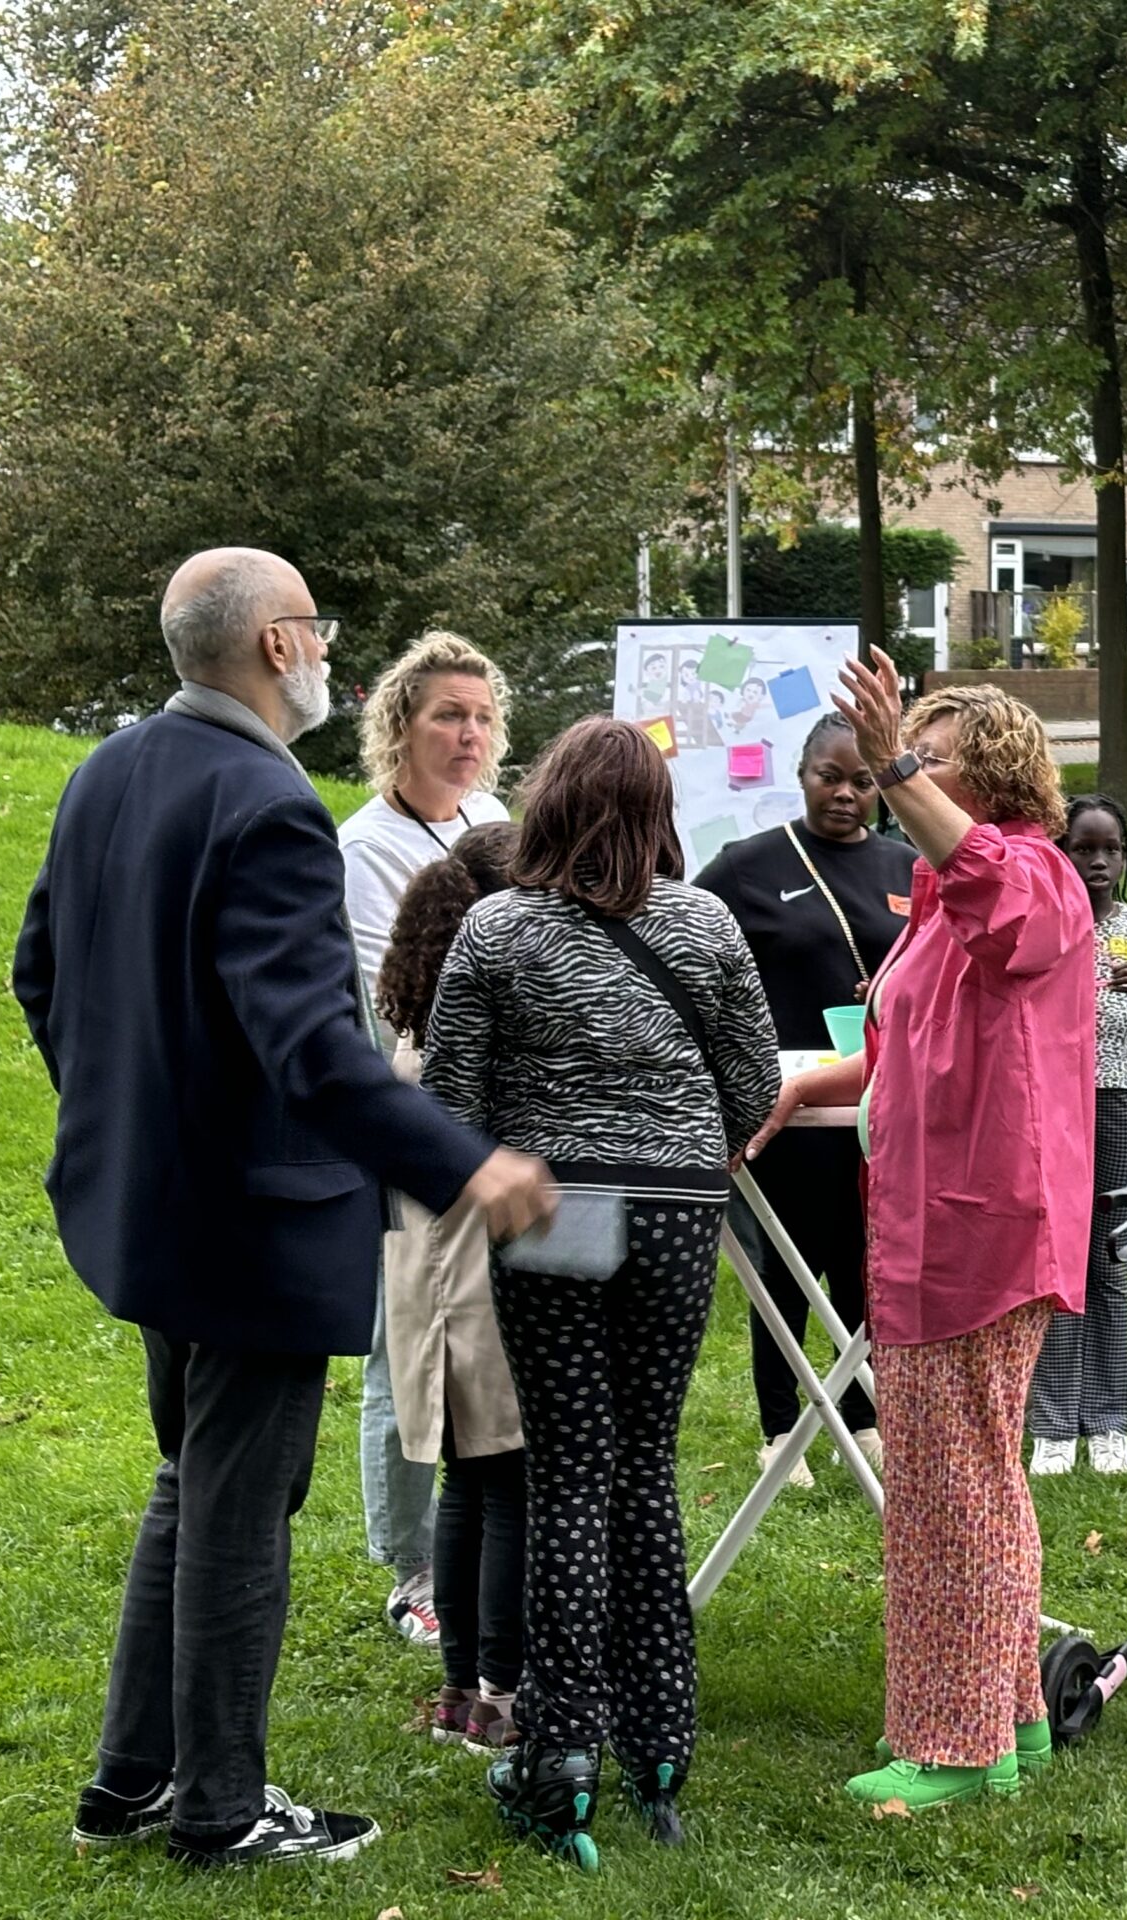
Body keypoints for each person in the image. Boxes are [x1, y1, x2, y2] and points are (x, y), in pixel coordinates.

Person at [12, 547, 554, 1868]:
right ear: (272, 646)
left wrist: (128, 1115)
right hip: (244, 1224)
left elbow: (43, 977)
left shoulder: (110, 770)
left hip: (147, 1206)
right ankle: (222, 1807)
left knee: (189, 1489)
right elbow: (314, 1054)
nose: (327, 653)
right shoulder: (269, 804)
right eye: (316, 629)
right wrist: (466, 1165)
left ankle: (133, 1781)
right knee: (238, 1509)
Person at [422, 717, 781, 1856]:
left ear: (549, 804)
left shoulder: (497, 928)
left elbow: (450, 1092)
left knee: (571, 1470)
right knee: (648, 1471)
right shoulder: (707, 920)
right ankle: (660, 1745)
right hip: (676, 1207)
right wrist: (693, 1152)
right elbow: (755, 1076)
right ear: (659, 811)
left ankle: (560, 1750)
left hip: (553, 1207)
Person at [751, 662, 1093, 1813]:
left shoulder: (1031, 876)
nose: (904, 772)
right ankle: (1012, 1722)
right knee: (979, 1479)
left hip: (978, 1232)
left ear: (990, 777)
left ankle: (952, 1744)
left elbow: (998, 892)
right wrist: (812, 1088)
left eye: (929, 755)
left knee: (951, 1491)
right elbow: (912, 1040)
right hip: (934, 1223)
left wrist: (893, 763)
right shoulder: (945, 900)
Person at [339, 631, 511, 1648]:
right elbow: (392, 1007)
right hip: (408, 1115)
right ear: (399, 724)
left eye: (483, 717)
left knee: (477, 1344)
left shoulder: (493, 819)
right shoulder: (365, 848)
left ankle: (474, 1544)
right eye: (449, 714)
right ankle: (412, 1572)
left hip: (500, 1120)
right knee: (397, 1349)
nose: (469, 734)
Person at [694, 713, 914, 1484]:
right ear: (802, 772)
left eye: (861, 781)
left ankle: (862, 1414)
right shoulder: (748, 867)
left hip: (877, 1107)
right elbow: (694, 951)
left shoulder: (907, 866)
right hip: (783, 1106)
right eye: (831, 776)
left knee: (862, 1265)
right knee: (782, 1268)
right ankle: (780, 1427)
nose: (846, 794)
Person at [374, 823, 527, 1755]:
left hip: (429, 1276)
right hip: (476, 1278)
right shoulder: (487, 1020)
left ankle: (462, 1688)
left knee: (472, 1483)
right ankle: (502, 1699)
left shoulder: (420, 1015)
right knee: (509, 1484)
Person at [1028, 794, 1127, 1477]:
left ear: (1125, 856)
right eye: (1083, 849)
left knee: (1111, 1260)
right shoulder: (1045, 927)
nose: (1097, 861)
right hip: (1055, 1108)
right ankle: (1054, 1424)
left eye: (1110, 849)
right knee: (1058, 1263)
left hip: (1123, 1103)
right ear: (1062, 853)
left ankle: (1109, 1420)